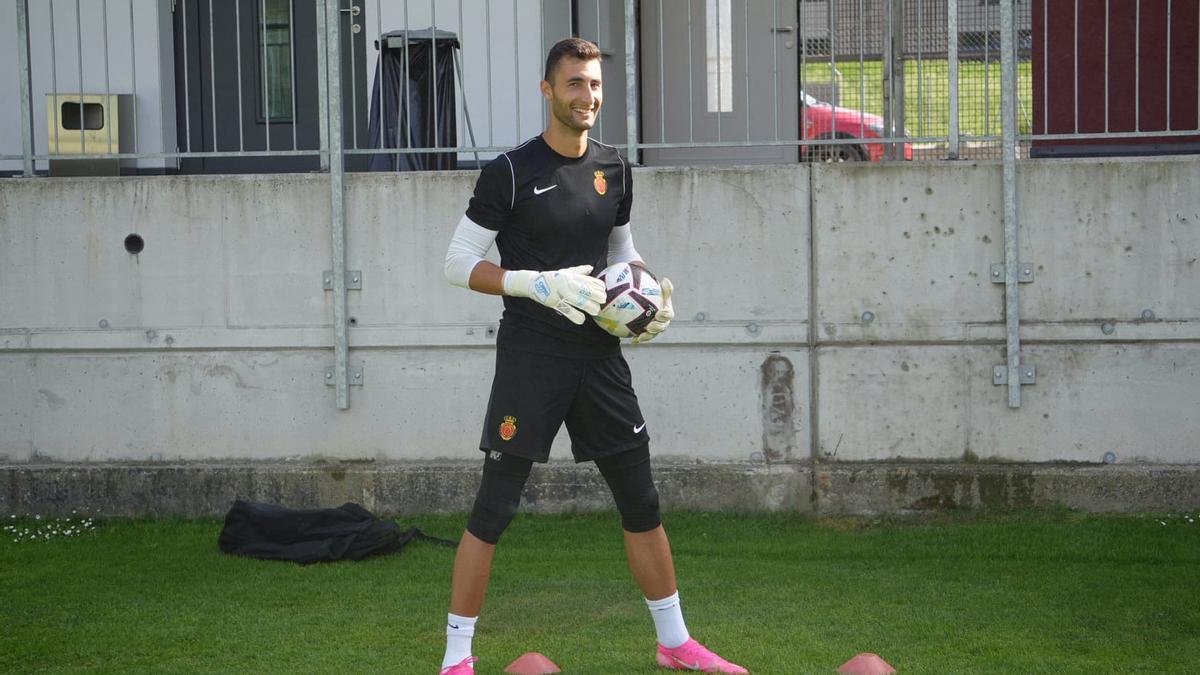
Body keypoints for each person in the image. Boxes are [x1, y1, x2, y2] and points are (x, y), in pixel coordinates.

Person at [439, 37, 748, 674]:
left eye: (596, 85)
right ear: (548, 90)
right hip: (532, 357)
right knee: (493, 509)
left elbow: (622, 252)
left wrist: (647, 295)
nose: (589, 97)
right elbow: (456, 265)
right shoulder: (509, 172)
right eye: (575, 84)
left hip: (600, 357)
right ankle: (457, 659)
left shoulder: (615, 168)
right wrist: (534, 282)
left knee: (642, 501)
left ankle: (675, 644)